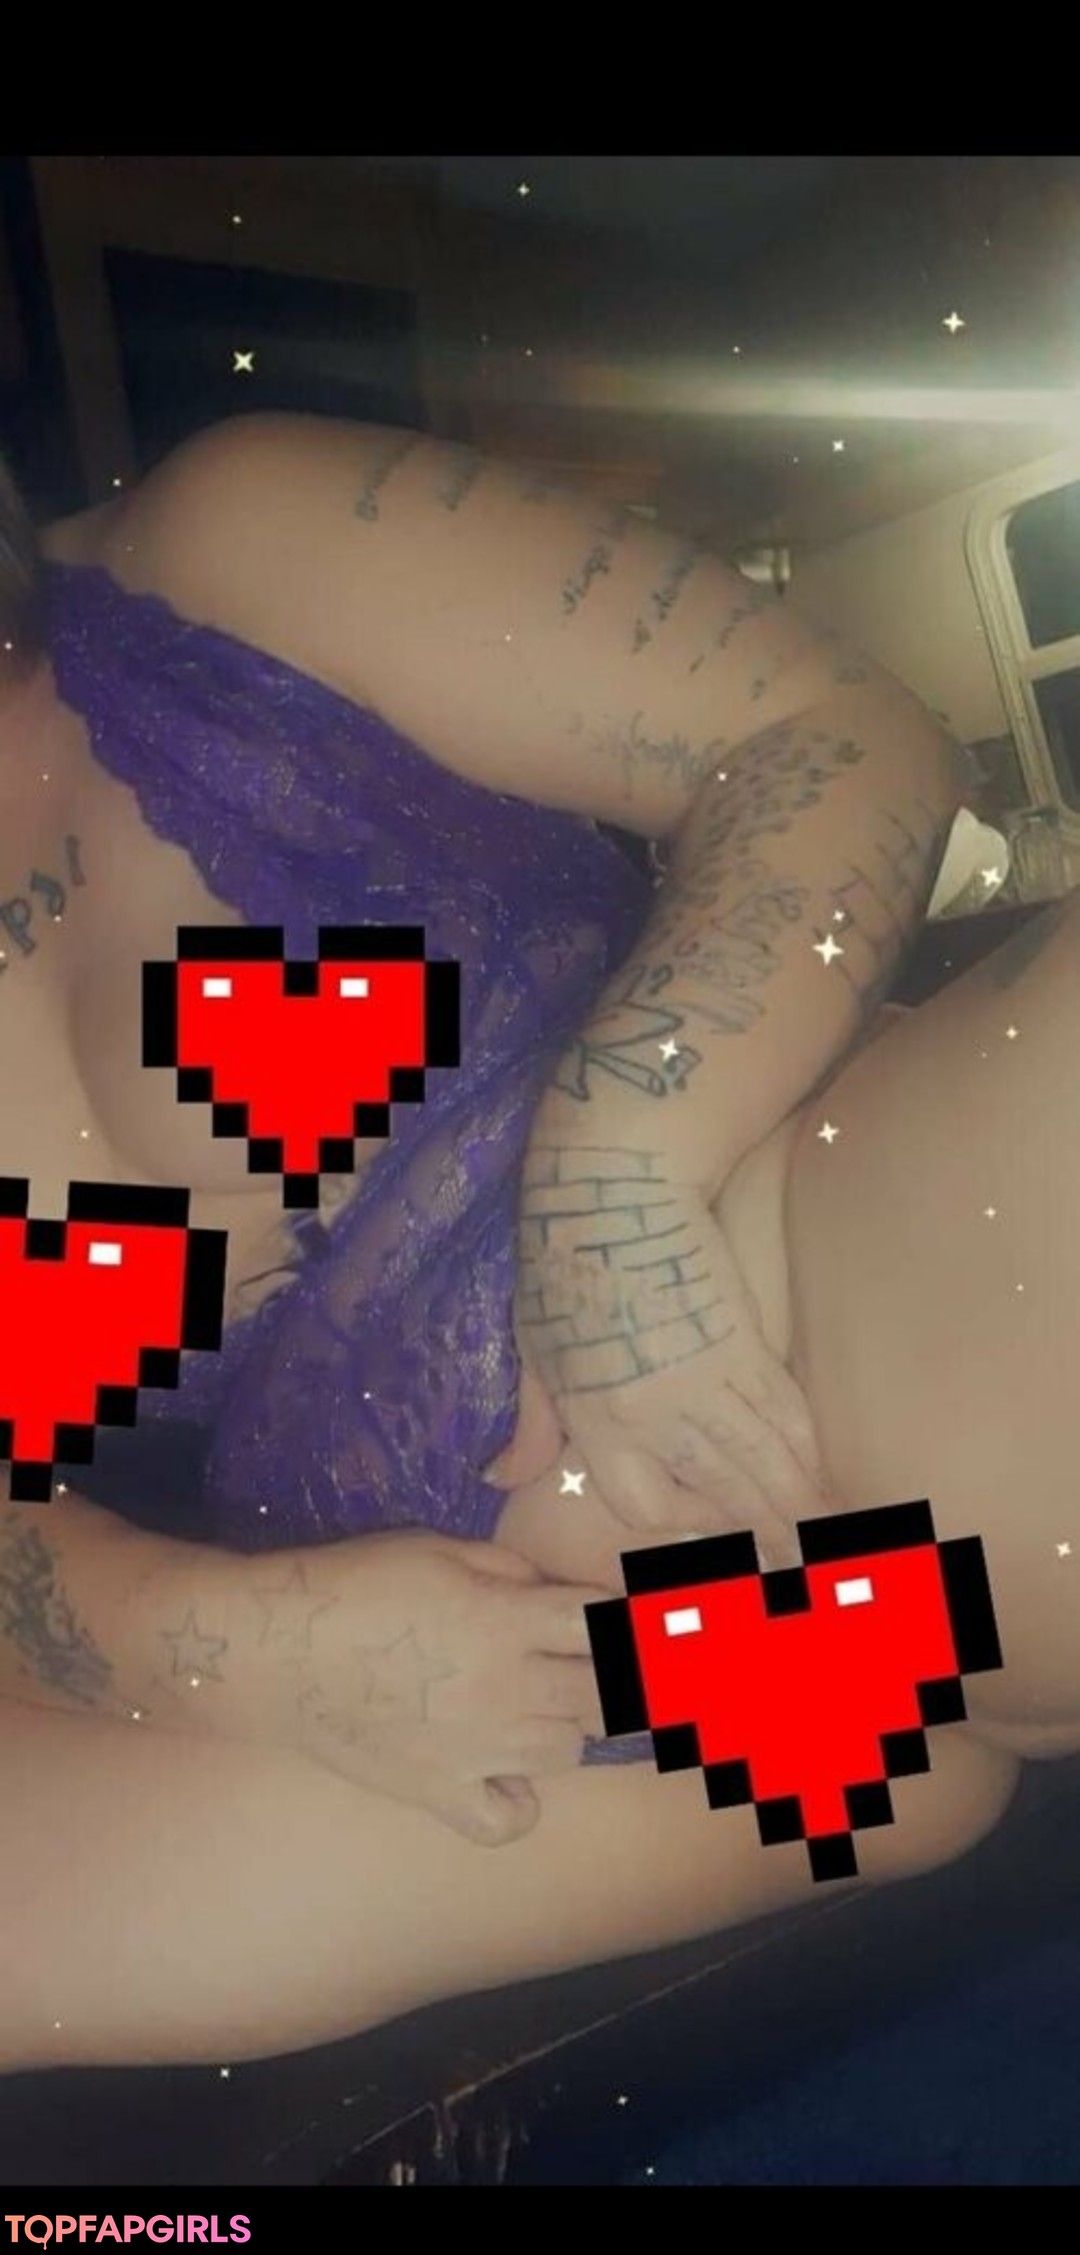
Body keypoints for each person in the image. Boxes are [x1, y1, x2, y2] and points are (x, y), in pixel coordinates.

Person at [0, 414, 1042, 2073]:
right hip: (526, 1683)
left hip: (824, 1239)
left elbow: (831, 733)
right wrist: (237, 1653)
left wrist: (619, 1172)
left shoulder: (230, 547)